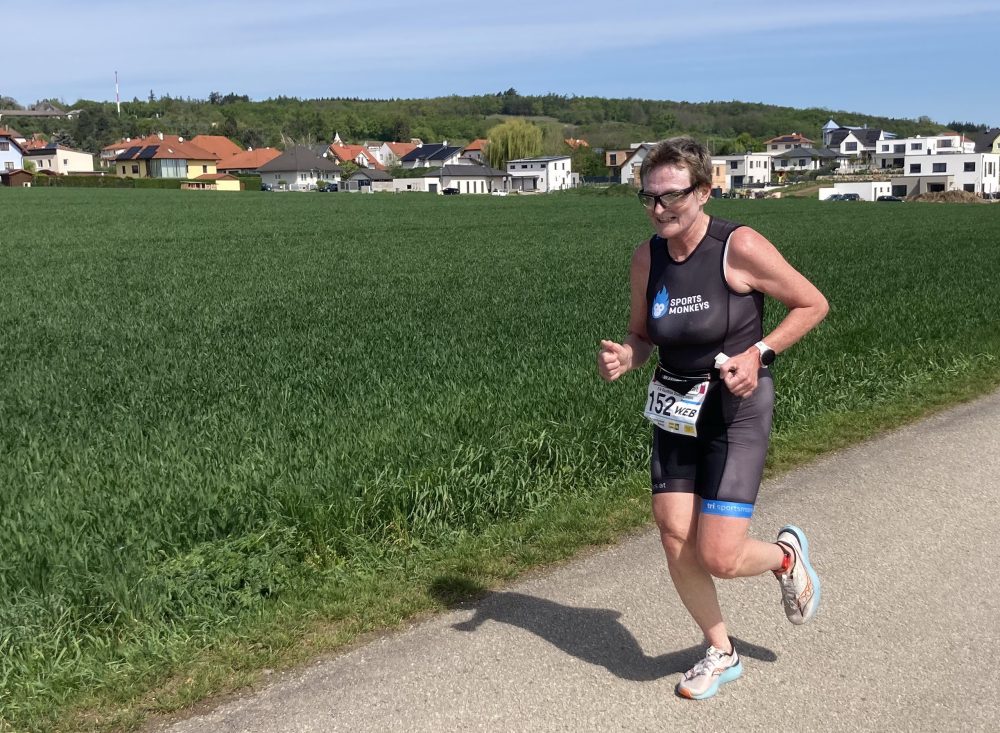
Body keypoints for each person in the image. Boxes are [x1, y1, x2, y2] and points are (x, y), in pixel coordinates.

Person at [597, 137, 829, 700]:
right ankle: (721, 650)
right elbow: (642, 333)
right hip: (676, 408)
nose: (659, 210)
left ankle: (785, 558)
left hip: (734, 409)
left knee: (720, 555)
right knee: (674, 531)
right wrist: (628, 356)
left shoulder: (737, 246)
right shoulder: (647, 257)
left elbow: (812, 303)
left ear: (703, 191)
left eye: (671, 196)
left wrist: (759, 354)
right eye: (649, 198)